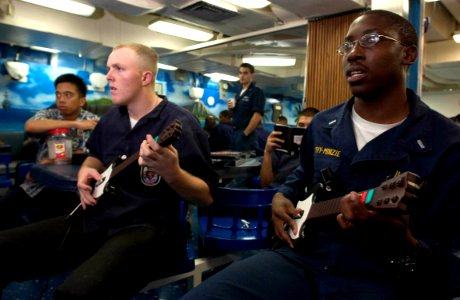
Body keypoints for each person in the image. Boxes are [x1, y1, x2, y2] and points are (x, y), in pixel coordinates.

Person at [180, 10, 460, 300]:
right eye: (348, 45)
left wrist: (404, 242)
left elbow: (448, 259)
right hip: (305, 259)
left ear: (408, 54)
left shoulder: (447, 142)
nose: (353, 54)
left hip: (383, 277)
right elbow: (302, 178)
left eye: (371, 39)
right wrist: (280, 197)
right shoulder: (323, 124)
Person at [0, 43, 218, 299]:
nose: (108, 76)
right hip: (98, 218)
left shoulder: (181, 124)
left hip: (148, 230)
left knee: (74, 294)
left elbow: (205, 196)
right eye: (108, 68)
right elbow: (95, 156)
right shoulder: (111, 118)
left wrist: (172, 172)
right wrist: (86, 171)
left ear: (145, 77)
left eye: (119, 68)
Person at [0, 73, 99, 230]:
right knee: (6, 206)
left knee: (60, 222)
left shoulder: (93, 120)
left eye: (68, 95)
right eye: (58, 94)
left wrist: (52, 161)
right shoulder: (49, 114)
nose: (61, 99)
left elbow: (95, 154)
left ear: (82, 100)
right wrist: (76, 124)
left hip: (73, 187)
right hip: (39, 182)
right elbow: (30, 126)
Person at [260, 107, 319, 188]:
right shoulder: (281, 146)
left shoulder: (321, 152)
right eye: (301, 125)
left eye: (310, 126)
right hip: (274, 192)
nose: (305, 129)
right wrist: (267, 152)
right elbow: (265, 184)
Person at [228, 63, 266, 151]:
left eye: (245, 73)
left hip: (246, 134)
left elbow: (257, 115)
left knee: (244, 163)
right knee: (233, 163)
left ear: (252, 75)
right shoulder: (239, 93)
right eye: (240, 73)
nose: (242, 76)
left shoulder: (257, 92)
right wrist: (230, 108)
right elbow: (234, 114)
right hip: (234, 132)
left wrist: (245, 133)